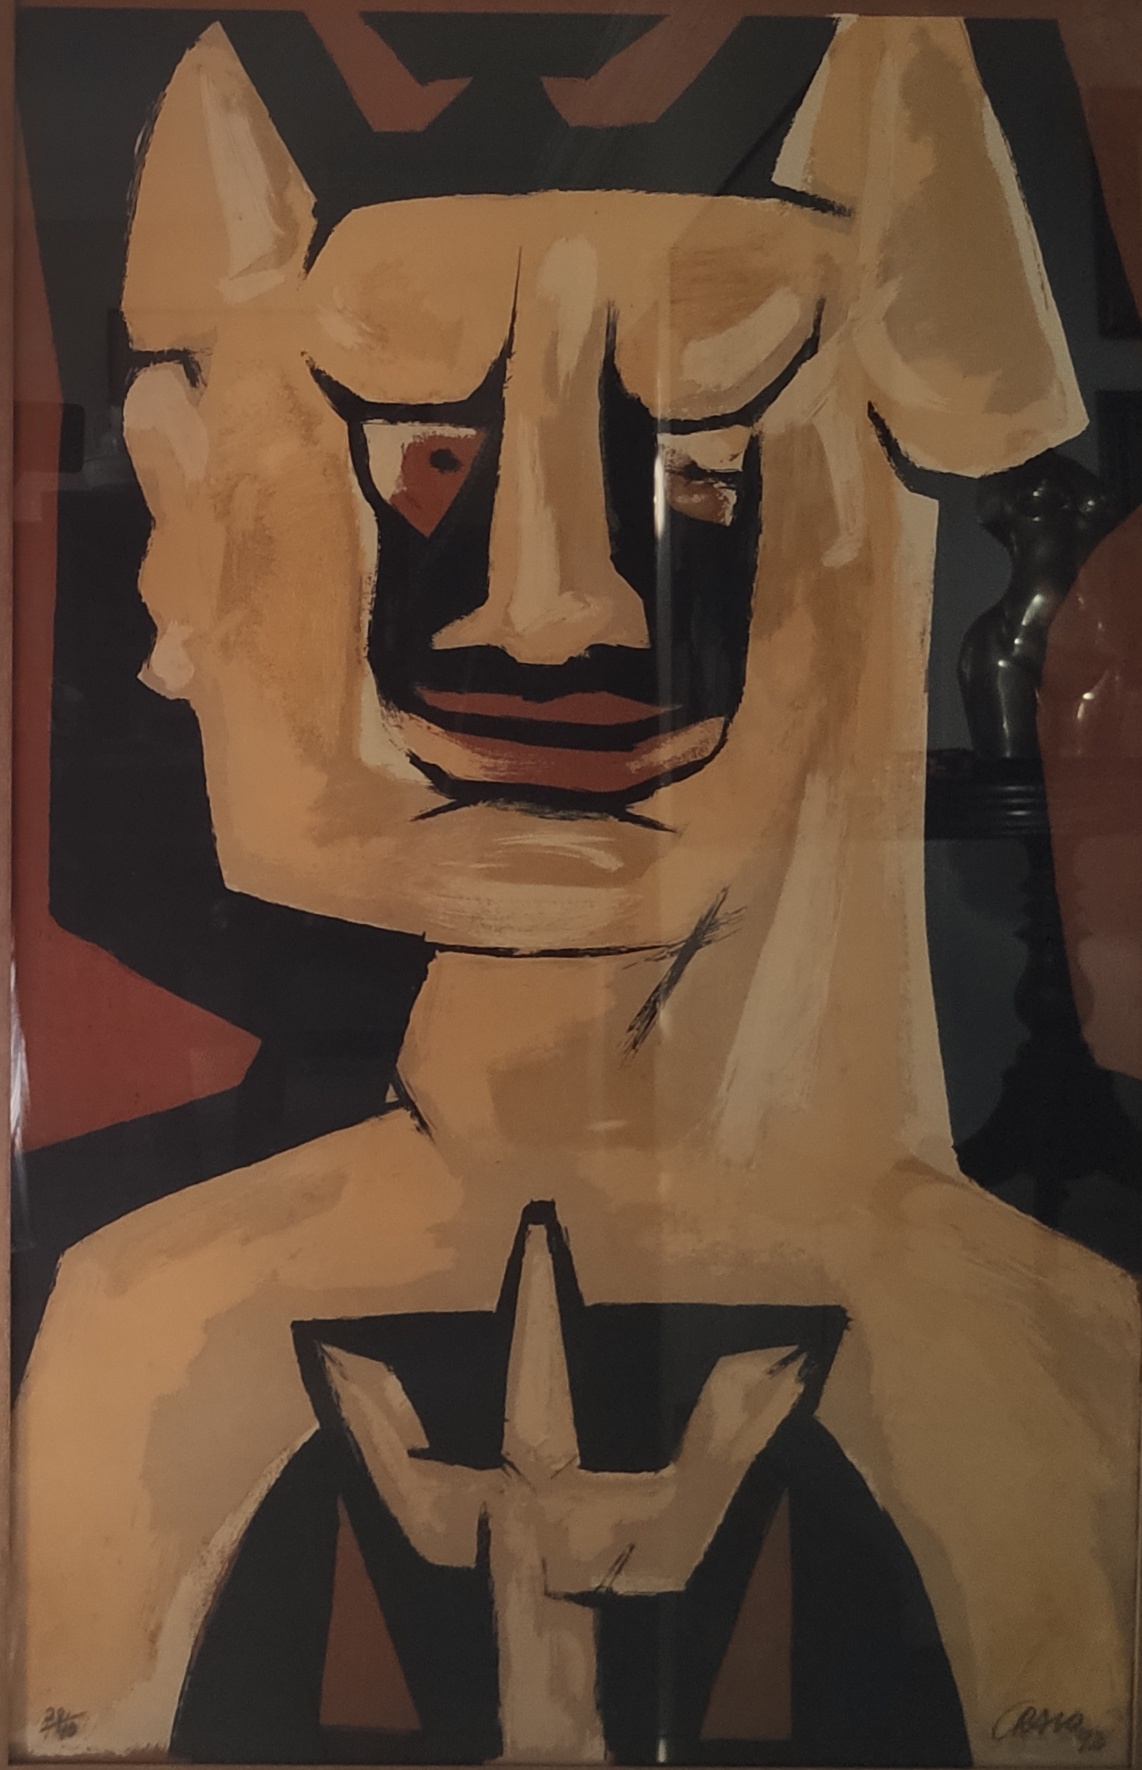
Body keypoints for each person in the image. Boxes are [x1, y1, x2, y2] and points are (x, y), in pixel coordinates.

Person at [12, 13, 1139, 1765]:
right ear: (180, 522)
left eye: (701, 465)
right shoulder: (133, 1332)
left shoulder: (1052, 1369)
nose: (550, 613)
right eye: (424, 459)